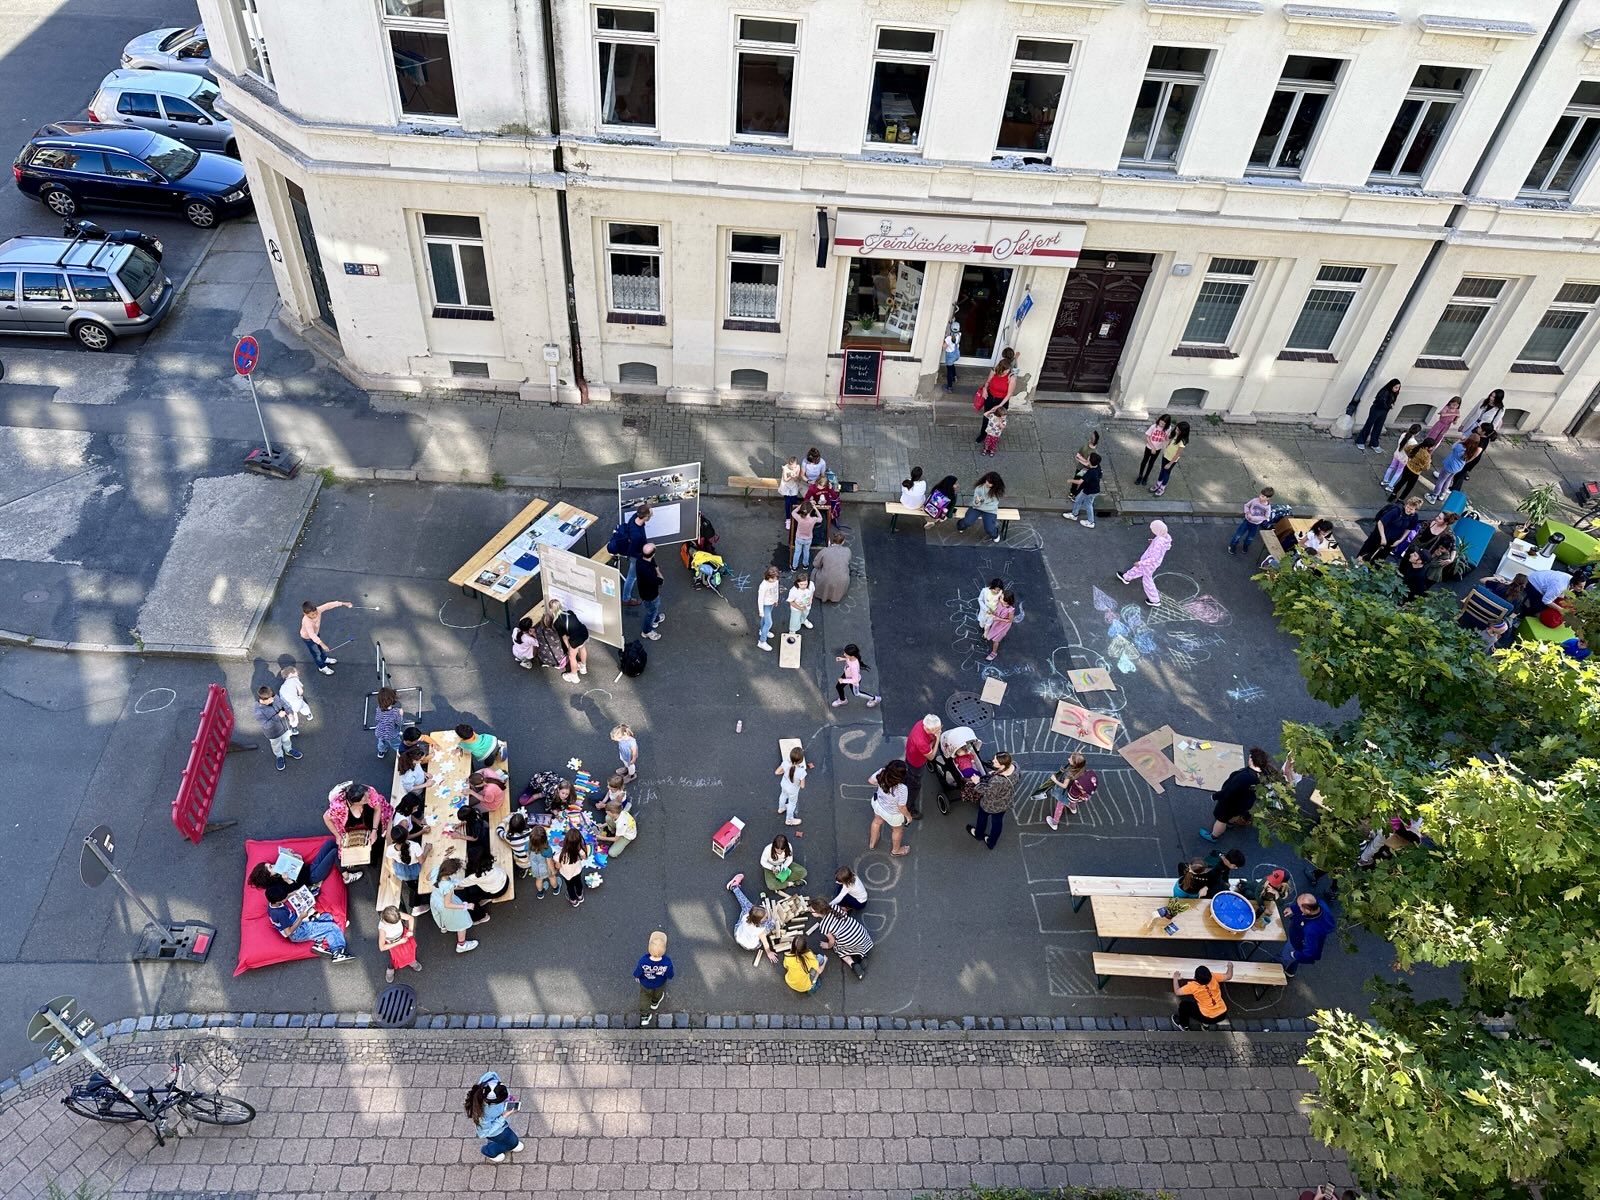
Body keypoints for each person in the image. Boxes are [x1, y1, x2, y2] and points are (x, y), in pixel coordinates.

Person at [246, 838, 351, 961]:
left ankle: (320, 942)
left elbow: (298, 867)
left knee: (328, 918)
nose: (273, 865)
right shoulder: (279, 900)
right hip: (300, 924)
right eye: (270, 867)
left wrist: (292, 856)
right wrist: (289, 883)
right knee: (332, 927)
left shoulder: (275, 898)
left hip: (308, 870)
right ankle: (337, 951)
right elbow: (288, 932)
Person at [1200, 747, 1279, 842]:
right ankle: (1230, 823)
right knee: (1234, 814)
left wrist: (1215, 796)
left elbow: (1230, 790)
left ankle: (1214, 836)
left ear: (1252, 760)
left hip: (1232, 802)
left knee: (1221, 819)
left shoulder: (1245, 776)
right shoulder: (1263, 774)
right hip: (1245, 802)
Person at [323, 780, 391, 884]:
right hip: (351, 829)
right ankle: (366, 860)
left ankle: (374, 856)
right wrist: (337, 836)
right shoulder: (339, 807)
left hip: (370, 822)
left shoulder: (370, 792)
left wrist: (374, 830)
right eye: (365, 800)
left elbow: (377, 808)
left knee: (377, 841)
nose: (369, 799)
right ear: (355, 802)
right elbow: (326, 818)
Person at [808, 895, 873, 980]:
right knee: (857, 939)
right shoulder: (835, 907)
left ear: (817, 913)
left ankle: (853, 964)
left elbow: (832, 940)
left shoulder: (824, 925)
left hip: (849, 940)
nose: (810, 911)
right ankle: (863, 955)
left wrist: (827, 946)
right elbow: (844, 912)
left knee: (839, 950)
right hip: (858, 930)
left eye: (811, 911)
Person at [464, 1071, 521, 1161]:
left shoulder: (491, 1080)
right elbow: (485, 1132)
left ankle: (501, 1143)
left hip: (501, 1125)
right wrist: (503, 1116)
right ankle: (489, 1151)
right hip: (497, 1131)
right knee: (513, 1142)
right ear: (493, 1102)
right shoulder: (483, 1115)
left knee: (510, 1140)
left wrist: (509, 1098)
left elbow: (492, 1074)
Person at [724, 873, 780, 963]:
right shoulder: (760, 930)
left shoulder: (747, 914)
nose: (766, 917)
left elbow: (751, 910)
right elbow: (765, 943)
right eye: (765, 917)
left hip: (738, 935)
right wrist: (769, 952)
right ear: (759, 921)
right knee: (771, 924)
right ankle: (734, 887)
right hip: (750, 945)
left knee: (746, 905)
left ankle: (734, 887)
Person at [966, 752, 1016, 850]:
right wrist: (995, 772)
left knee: (982, 817)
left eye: (996, 761)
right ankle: (991, 842)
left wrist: (977, 783)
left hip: (991, 804)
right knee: (997, 822)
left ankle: (978, 834)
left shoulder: (997, 781)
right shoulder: (1015, 766)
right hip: (1005, 802)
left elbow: (986, 791)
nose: (993, 761)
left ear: (1002, 765)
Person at [1119, 520, 1173, 607]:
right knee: (1139, 570)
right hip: (1152, 563)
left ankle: (1155, 600)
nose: (1152, 530)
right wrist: (1153, 542)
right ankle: (1126, 577)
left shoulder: (1159, 542)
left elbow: (1153, 558)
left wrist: (1141, 563)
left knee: (1147, 580)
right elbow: (1162, 548)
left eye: (1153, 529)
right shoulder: (1165, 537)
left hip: (1149, 564)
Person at [1281, 893, 1335, 977]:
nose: (1297, 907)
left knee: (1287, 957)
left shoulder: (1311, 930)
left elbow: (1310, 952)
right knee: (1293, 961)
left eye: (1299, 906)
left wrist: (1295, 954)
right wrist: (1293, 909)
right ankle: (1290, 971)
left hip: (1296, 944)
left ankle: (1280, 969)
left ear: (1307, 911)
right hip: (1298, 938)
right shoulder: (1319, 904)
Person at [607, 503, 652, 605]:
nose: (652, 516)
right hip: (636, 555)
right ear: (645, 517)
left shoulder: (635, 517)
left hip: (635, 548)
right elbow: (632, 552)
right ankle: (626, 598)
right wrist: (643, 556)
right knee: (631, 577)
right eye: (650, 515)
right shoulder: (636, 536)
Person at [1354, 497, 1421, 564]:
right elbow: (1380, 522)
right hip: (1378, 536)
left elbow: (1408, 529)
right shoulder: (1396, 511)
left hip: (1391, 541)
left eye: (1411, 509)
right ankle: (1356, 565)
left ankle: (1370, 570)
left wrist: (1400, 540)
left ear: (1415, 510)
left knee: (1380, 559)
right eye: (1407, 507)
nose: (1408, 510)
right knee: (1365, 553)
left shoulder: (1414, 517)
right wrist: (1383, 537)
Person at [386, 804, 426, 915]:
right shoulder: (414, 846)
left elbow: (390, 863)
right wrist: (427, 849)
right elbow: (422, 860)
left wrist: (393, 873)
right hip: (414, 869)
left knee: (411, 883)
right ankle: (417, 903)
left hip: (400, 871)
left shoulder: (390, 849)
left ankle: (412, 886)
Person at [867, 760, 912, 857]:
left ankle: (872, 843)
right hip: (893, 814)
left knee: (876, 822)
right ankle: (896, 850)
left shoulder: (882, 773)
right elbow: (901, 807)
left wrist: (881, 784)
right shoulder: (902, 788)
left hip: (878, 805)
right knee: (897, 830)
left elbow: (870, 780)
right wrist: (908, 817)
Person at [1042, 753, 1098, 830]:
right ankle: (1073, 808)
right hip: (1077, 794)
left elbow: (1064, 786)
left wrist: (1054, 780)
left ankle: (1054, 823)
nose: (1068, 759)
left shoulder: (1069, 775)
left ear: (1074, 764)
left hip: (1067, 792)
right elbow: (1074, 765)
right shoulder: (1081, 768)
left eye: (1070, 759)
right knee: (1073, 801)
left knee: (1060, 806)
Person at [253, 684, 300, 771]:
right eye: (270, 699)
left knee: (287, 740)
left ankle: (288, 750)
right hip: (273, 734)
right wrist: (278, 716)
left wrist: (289, 713)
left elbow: (285, 704)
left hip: (284, 727)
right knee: (276, 746)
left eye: (272, 697)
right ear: (262, 700)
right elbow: (266, 725)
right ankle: (279, 756)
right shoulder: (258, 711)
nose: (273, 700)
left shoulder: (274, 697)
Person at [1171, 963, 1233, 1030]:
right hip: (1222, 1014)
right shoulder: (1214, 977)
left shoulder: (1193, 986)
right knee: (1206, 1006)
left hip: (1207, 1017)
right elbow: (1229, 976)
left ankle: (1184, 1025)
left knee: (1184, 1005)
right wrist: (1230, 966)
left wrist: (1175, 978)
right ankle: (1205, 1025)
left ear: (1195, 978)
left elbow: (1177, 992)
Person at [298, 598, 352, 674]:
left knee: (320, 649)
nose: (315, 615)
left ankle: (324, 658)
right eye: (312, 615)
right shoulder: (307, 622)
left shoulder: (318, 610)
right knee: (316, 653)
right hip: (308, 638)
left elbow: (328, 605)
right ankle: (322, 667)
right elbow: (312, 635)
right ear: (305, 614)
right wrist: (322, 644)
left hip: (316, 634)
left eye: (316, 613)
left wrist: (344, 603)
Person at [903, 714, 940, 820]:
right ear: (929, 729)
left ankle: (905, 782)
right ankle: (909, 807)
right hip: (916, 763)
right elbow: (931, 757)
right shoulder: (922, 742)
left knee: (908, 774)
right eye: (937, 729)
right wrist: (937, 738)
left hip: (910, 757)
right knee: (915, 786)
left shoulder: (920, 723)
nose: (938, 730)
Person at [974, 350, 1014, 443]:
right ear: (1001, 369)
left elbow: (1009, 394)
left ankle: (993, 436)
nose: (1007, 371)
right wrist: (984, 389)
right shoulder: (994, 371)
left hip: (1002, 400)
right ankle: (983, 434)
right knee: (987, 416)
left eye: (1008, 370)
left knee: (999, 418)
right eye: (1006, 370)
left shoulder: (1011, 377)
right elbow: (987, 382)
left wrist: (999, 405)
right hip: (990, 397)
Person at [634, 931, 674, 1025]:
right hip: (659, 982)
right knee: (658, 993)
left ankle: (644, 1016)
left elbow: (639, 970)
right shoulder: (667, 962)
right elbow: (670, 974)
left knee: (644, 998)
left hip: (645, 983)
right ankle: (654, 1003)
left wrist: (636, 976)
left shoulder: (643, 960)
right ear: (664, 950)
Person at [1426, 433, 1478, 502]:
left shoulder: (1460, 447)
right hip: (1458, 468)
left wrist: (1459, 440)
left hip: (1449, 466)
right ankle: (1442, 494)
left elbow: (1453, 447)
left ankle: (1434, 496)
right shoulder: (1473, 450)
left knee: (1441, 480)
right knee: (1448, 480)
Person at [956, 472, 1007, 542]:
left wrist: (979, 503)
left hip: (989, 510)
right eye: (987, 481)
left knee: (989, 528)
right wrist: (977, 502)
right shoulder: (979, 488)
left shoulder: (997, 491)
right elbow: (974, 502)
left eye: (990, 483)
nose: (987, 483)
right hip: (977, 507)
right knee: (967, 521)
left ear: (995, 484)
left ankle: (995, 535)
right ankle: (960, 526)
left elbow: (993, 506)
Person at [378, 905, 422, 983]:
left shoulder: (395, 914)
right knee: (393, 959)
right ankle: (390, 969)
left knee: (410, 950)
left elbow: (410, 918)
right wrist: (399, 942)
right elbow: (382, 947)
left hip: (402, 936)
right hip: (393, 942)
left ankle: (411, 961)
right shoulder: (383, 929)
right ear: (388, 922)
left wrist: (410, 930)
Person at [1354, 378, 1401, 450]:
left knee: (1378, 427)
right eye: (1396, 387)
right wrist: (1388, 406)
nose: (1397, 389)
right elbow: (1381, 402)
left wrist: (1388, 407)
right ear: (1391, 386)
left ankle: (1374, 443)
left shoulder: (1393, 393)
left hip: (1384, 411)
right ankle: (1360, 441)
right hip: (1377, 409)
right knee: (1369, 425)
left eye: (1398, 387)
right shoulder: (1384, 391)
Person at [549, 598, 589, 684]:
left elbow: (564, 637)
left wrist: (569, 649)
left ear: (551, 609)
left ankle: (574, 676)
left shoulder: (557, 622)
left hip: (575, 639)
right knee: (582, 647)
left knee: (572, 657)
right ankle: (583, 667)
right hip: (583, 632)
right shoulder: (570, 612)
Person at [1228, 487, 1275, 555]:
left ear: (1268, 498)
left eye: (1263, 496)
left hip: (1255, 524)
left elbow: (1266, 517)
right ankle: (1232, 545)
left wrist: (1255, 518)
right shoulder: (1254, 500)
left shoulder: (1267, 507)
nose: (1260, 497)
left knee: (1250, 537)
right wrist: (1247, 513)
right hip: (1247, 521)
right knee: (1238, 534)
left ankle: (1246, 545)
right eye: (1261, 495)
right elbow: (1246, 505)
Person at [1380, 423, 1425, 492]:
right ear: (1417, 433)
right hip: (1403, 458)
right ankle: (1390, 486)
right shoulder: (1414, 442)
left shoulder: (1403, 434)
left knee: (1391, 467)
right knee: (1398, 471)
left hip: (1397, 453)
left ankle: (1384, 480)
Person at [833, 643, 881, 708]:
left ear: (852, 656)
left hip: (853, 682)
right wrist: (842, 659)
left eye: (846, 654)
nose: (844, 654)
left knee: (857, 693)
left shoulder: (854, 667)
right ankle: (843, 700)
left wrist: (843, 681)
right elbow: (848, 660)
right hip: (847, 675)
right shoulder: (852, 658)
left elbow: (855, 680)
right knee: (838, 687)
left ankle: (875, 699)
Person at [1388, 437, 1434, 502]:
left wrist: (1410, 456)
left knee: (1401, 481)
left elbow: (1406, 448)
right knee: (1409, 487)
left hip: (1407, 467)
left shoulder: (1416, 446)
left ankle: (1393, 494)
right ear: (1428, 447)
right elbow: (1426, 468)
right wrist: (1425, 464)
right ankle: (1400, 499)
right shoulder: (1427, 456)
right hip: (1415, 473)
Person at [1150, 421, 1189, 496]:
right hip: (1165, 455)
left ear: (1183, 432)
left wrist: (1170, 463)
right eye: (1176, 429)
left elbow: (1177, 454)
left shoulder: (1182, 442)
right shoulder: (1175, 434)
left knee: (1166, 473)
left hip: (1171, 460)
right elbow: (1168, 440)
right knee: (1162, 470)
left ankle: (1162, 487)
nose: (1176, 431)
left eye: (1178, 430)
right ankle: (1158, 484)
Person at [1063, 452, 1103, 527]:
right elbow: (1088, 464)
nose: (1087, 457)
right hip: (1092, 489)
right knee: (1080, 500)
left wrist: (1070, 480)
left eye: (1089, 457)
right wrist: (1079, 458)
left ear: (1091, 461)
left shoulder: (1091, 472)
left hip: (1089, 491)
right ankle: (1076, 515)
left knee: (1084, 502)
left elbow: (1079, 482)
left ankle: (1089, 521)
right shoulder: (1097, 466)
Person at [811, 533, 851, 604]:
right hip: (842, 580)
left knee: (815, 570)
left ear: (832, 540)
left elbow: (816, 564)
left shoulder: (825, 551)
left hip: (826, 579)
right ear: (843, 541)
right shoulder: (847, 551)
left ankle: (817, 591)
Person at [635, 542, 664, 641]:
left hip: (644, 591)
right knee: (651, 611)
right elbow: (660, 580)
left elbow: (652, 561)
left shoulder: (640, 559)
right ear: (653, 554)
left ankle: (655, 619)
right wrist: (658, 571)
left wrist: (655, 567)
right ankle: (646, 631)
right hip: (650, 595)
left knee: (653, 610)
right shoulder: (649, 572)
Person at [1134, 415, 1172, 487]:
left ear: (1167, 424)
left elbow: (1167, 438)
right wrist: (1152, 447)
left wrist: (1166, 443)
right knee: (1144, 461)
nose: (1161, 425)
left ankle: (1146, 477)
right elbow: (1147, 437)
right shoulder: (1153, 426)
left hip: (1158, 448)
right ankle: (1140, 476)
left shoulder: (1168, 428)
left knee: (1151, 463)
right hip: (1149, 447)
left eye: (1163, 424)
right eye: (1160, 422)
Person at [775, 745, 809, 826]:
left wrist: (783, 773)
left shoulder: (785, 763)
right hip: (793, 790)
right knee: (792, 803)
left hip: (784, 784)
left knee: (783, 795)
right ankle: (789, 819)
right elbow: (802, 786)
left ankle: (781, 808)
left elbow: (776, 772)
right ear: (801, 761)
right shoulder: (801, 771)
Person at [557, 827, 588, 907]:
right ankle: (580, 896)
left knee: (570, 887)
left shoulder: (560, 854)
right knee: (578, 883)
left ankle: (574, 900)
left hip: (567, 874)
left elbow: (558, 865)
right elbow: (584, 857)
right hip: (577, 871)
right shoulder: (580, 850)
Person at [789, 498, 822, 570]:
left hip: (799, 538)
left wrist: (801, 506)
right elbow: (821, 518)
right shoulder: (813, 519)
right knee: (806, 552)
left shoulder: (799, 518)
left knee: (797, 552)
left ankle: (794, 567)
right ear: (811, 510)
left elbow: (793, 512)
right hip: (808, 539)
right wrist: (815, 508)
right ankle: (805, 565)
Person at [496, 810, 532, 877]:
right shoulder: (531, 833)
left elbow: (498, 830)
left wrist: (505, 820)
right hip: (533, 859)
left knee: (521, 864)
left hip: (520, 862)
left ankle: (523, 870)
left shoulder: (510, 838)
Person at [983, 590, 1016, 663]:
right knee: (992, 630)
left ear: (1007, 601)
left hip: (1002, 625)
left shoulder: (1010, 610)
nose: (999, 598)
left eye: (1001, 598)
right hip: (996, 622)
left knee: (996, 640)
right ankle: (993, 635)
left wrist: (998, 618)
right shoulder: (1000, 602)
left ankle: (994, 653)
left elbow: (1010, 620)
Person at [373, 686, 405, 760]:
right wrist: (401, 715)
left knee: (381, 743)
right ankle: (401, 753)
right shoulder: (395, 712)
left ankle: (381, 752)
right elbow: (400, 723)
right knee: (396, 744)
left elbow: (377, 719)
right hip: (391, 734)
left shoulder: (378, 709)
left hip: (379, 732)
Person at [278, 665, 312, 730]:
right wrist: (300, 695)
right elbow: (300, 691)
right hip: (296, 702)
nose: (297, 675)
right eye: (296, 673)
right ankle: (308, 714)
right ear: (292, 673)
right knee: (303, 706)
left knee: (292, 716)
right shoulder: (295, 680)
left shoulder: (284, 685)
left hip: (286, 704)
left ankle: (294, 728)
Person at [755, 564, 780, 652]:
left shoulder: (775, 581)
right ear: (768, 577)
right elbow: (760, 599)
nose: (774, 580)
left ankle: (762, 630)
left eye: (776, 578)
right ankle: (762, 641)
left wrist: (776, 600)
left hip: (771, 603)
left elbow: (776, 590)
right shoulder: (763, 586)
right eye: (772, 578)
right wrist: (761, 611)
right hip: (765, 605)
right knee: (769, 623)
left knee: (765, 621)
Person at [1067, 431, 1099, 498]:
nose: (1090, 438)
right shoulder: (1087, 443)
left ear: (1094, 441)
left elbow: (1087, 463)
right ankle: (1073, 492)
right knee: (1076, 478)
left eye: (1092, 438)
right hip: (1080, 466)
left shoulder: (1093, 452)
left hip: (1084, 469)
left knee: (1080, 481)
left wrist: (1079, 458)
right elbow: (1081, 451)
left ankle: (1076, 494)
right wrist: (1079, 456)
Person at [786, 572, 815, 636]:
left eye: (805, 584)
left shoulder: (811, 585)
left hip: (806, 606)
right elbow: (791, 602)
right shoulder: (793, 591)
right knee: (795, 619)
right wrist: (799, 608)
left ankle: (803, 620)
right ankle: (793, 629)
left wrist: (810, 599)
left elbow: (812, 591)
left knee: (805, 614)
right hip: (796, 608)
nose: (804, 586)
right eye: (801, 584)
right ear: (797, 583)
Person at [778, 454, 803, 524]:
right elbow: (785, 479)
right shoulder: (785, 468)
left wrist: (795, 477)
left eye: (794, 466)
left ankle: (795, 517)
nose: (793, 468)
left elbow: (797, 478)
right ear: (789, 464)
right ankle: (788, 519)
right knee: (787, 503)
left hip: (794, 486)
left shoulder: (798, 467)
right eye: (792, 467)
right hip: (786, 486)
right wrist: (791, 476)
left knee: (794, 502)